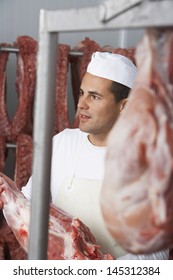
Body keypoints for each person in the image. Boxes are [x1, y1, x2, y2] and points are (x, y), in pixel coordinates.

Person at [0, 52, 169, 260]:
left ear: (124, 106)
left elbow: (156, 252)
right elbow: (28, 208)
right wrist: (9, 196)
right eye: (81, 93)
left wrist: (100, 268)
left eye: (94, 96)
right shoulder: (63, 143)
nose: (81, 104)